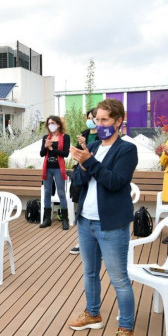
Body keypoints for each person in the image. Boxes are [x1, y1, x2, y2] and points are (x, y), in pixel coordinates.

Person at [68, 99, 138, 336]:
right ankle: (92, 313)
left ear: (118, 121)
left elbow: (115, 182)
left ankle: (126, 329)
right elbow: (77, 179)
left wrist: (90, 162)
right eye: (97, 120)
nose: (99, 125)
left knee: (119, 279)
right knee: (89, 272)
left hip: (111, 225)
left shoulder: (127, 150)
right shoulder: (94, 146)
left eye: (105, 120)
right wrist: (85, 161)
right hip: (86, 221)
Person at [69, 109, 100, 255]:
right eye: (88, 117)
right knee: (81, 206)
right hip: (82, 172)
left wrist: (86, 147)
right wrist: (80, 145)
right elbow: (79, 154)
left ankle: (99, 244)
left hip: (96, 172)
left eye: (92, 118)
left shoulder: (103, 135)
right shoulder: (85, 133)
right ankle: (82, 241)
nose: (90, 120)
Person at [39, 116, 71, 230]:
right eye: (48, 124)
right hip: (47, 168)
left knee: (61, 193)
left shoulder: (65, 137)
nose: (50, 125)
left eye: (52, 123)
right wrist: (45, 146)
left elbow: (65, 154)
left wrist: (52, 149)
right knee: (47, 192)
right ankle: (47, 219)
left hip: (58, 168)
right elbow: (42, 154)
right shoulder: (46, 137)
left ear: (58, 124)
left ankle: (65, 220)